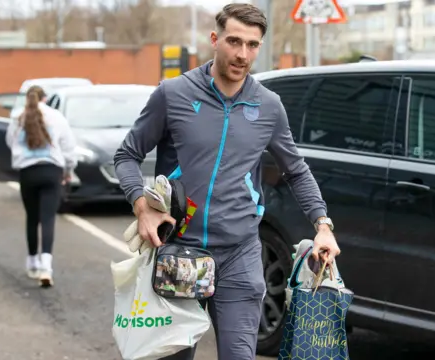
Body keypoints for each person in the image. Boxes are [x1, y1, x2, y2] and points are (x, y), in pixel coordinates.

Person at [113, 3, 339, 359]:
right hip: (179, 251)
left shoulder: (268, 106)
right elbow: (127, 156)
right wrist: (142, 206)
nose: (242, 54)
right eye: (234, 41)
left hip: (239, 254)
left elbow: (296, 170)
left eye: (252, 45)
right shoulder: (173, 95)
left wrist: (323, 225)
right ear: (215, 39)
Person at [6, 85, 77, 288]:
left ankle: (32, 263)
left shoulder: (17, 117)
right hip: (52, 171)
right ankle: (46, 267)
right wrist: (68, 170)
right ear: (44, 99)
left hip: (28, 172)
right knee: (48, 219)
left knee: (32, 218)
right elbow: (68, 147)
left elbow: (10, 142)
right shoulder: (56, 117)